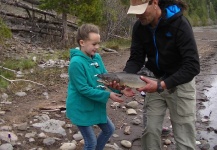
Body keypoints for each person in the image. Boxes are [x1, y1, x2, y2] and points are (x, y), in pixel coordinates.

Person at [115, 0, 200, 149]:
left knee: (184, 137)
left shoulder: (180, 24)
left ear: (155, 2)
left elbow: (192, 66)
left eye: (141, 10)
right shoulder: (139, 27)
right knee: (150, 130)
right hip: (154, 80)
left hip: (181, 83)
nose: (138, 16)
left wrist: (162, 85)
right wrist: (123, 79)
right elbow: (136, 59)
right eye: (135, 11)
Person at [66, 23, 134, 150]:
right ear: (82, 42)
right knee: (90, 142)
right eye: (94, 44)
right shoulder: (76, 63)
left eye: (98, 43)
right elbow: (83, 89)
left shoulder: (97, 58)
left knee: (109, 129)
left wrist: (121, 89)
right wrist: (108, 95)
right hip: (80, 108)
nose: (97, 47)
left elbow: (107, 79)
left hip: (94, 105)